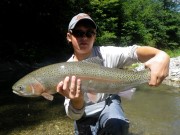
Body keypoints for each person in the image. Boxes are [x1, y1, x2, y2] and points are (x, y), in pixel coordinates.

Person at [56, 13, 170, 135]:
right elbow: (74, 115)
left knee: (117, 125)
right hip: (83, 114)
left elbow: (133, 52)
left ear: (94, 37)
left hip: (108, 105)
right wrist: (77, 101)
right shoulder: (64, 70)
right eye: (79, 33)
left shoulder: (106, 53)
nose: (84, 37)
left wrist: (162, 55)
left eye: (89, 33)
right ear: (69, 36)